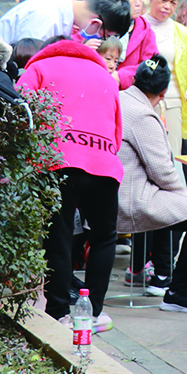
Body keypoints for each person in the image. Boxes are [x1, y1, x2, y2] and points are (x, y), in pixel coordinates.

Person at [17, 37, 123, 333]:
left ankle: (59, 312)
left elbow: (20, 113)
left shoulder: (39, 69)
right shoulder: (105, 75)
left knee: (59, 238)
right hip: (103, 162)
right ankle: (94, 312)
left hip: (56, 163)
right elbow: (116, 130)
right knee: (104, 237)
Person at [116, 54, 187, 313]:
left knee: (172, 206)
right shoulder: (143, 115)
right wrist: (185, 200)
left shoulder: (121, 99)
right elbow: (162, 171)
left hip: (112, 193)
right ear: (162, 93)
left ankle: (162, 277)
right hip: (129, 200)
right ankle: (177, 291)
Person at [142, 0, 187, 159]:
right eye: (163, 0)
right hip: (141, 99)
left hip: (170, 100)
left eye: (173, 3)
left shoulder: (182, 32)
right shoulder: (137, 25)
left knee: (171, 154)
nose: (167, 7)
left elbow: (186, 71)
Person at [0, 0, 131, 48]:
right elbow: (28, 60)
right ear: (96, 23)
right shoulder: (46, 16)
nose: (99, 38)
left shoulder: (60, 10)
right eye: (104, 35)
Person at [105, 0, 159, 90]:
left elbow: (151, 65)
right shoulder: (98, 26)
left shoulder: (146, 31)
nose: (139, 3)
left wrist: (121, 76)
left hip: (131, 94)